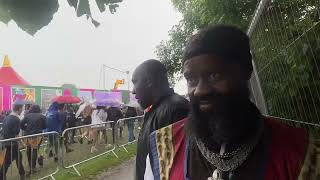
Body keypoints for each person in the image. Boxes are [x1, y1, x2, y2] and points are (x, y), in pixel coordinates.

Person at [144, 25, 320, 180]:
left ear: (246, 71)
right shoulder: (163, 148)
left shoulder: (304, 154)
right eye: (191, 79)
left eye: (215, 75)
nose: (200, 90)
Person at [132, 59, 189, 180]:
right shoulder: (156, 109)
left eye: (135, 82)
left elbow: (173, 172)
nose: (132, 90)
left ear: (148, 81)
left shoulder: (176, 110)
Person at [0, 103, 25, 180]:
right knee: (6, 163)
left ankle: (22, 174)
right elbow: (16, 135)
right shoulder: (16, 119)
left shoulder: (6, 118)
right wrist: (22, 143)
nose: (22, 110)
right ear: (19, 108)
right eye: (22, 108)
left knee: (19, 157)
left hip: (6, 142)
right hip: (12, 144)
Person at [20, 105, 46, 175]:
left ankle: (30, 165)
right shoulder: (42, 116)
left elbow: (21, 124)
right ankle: (33, 167)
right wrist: (41, 128)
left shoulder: (27, 116)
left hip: (28, 135)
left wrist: (26, 128)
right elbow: (45, 125)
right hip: (37, 135)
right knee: (35, 150)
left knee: (28, 149)